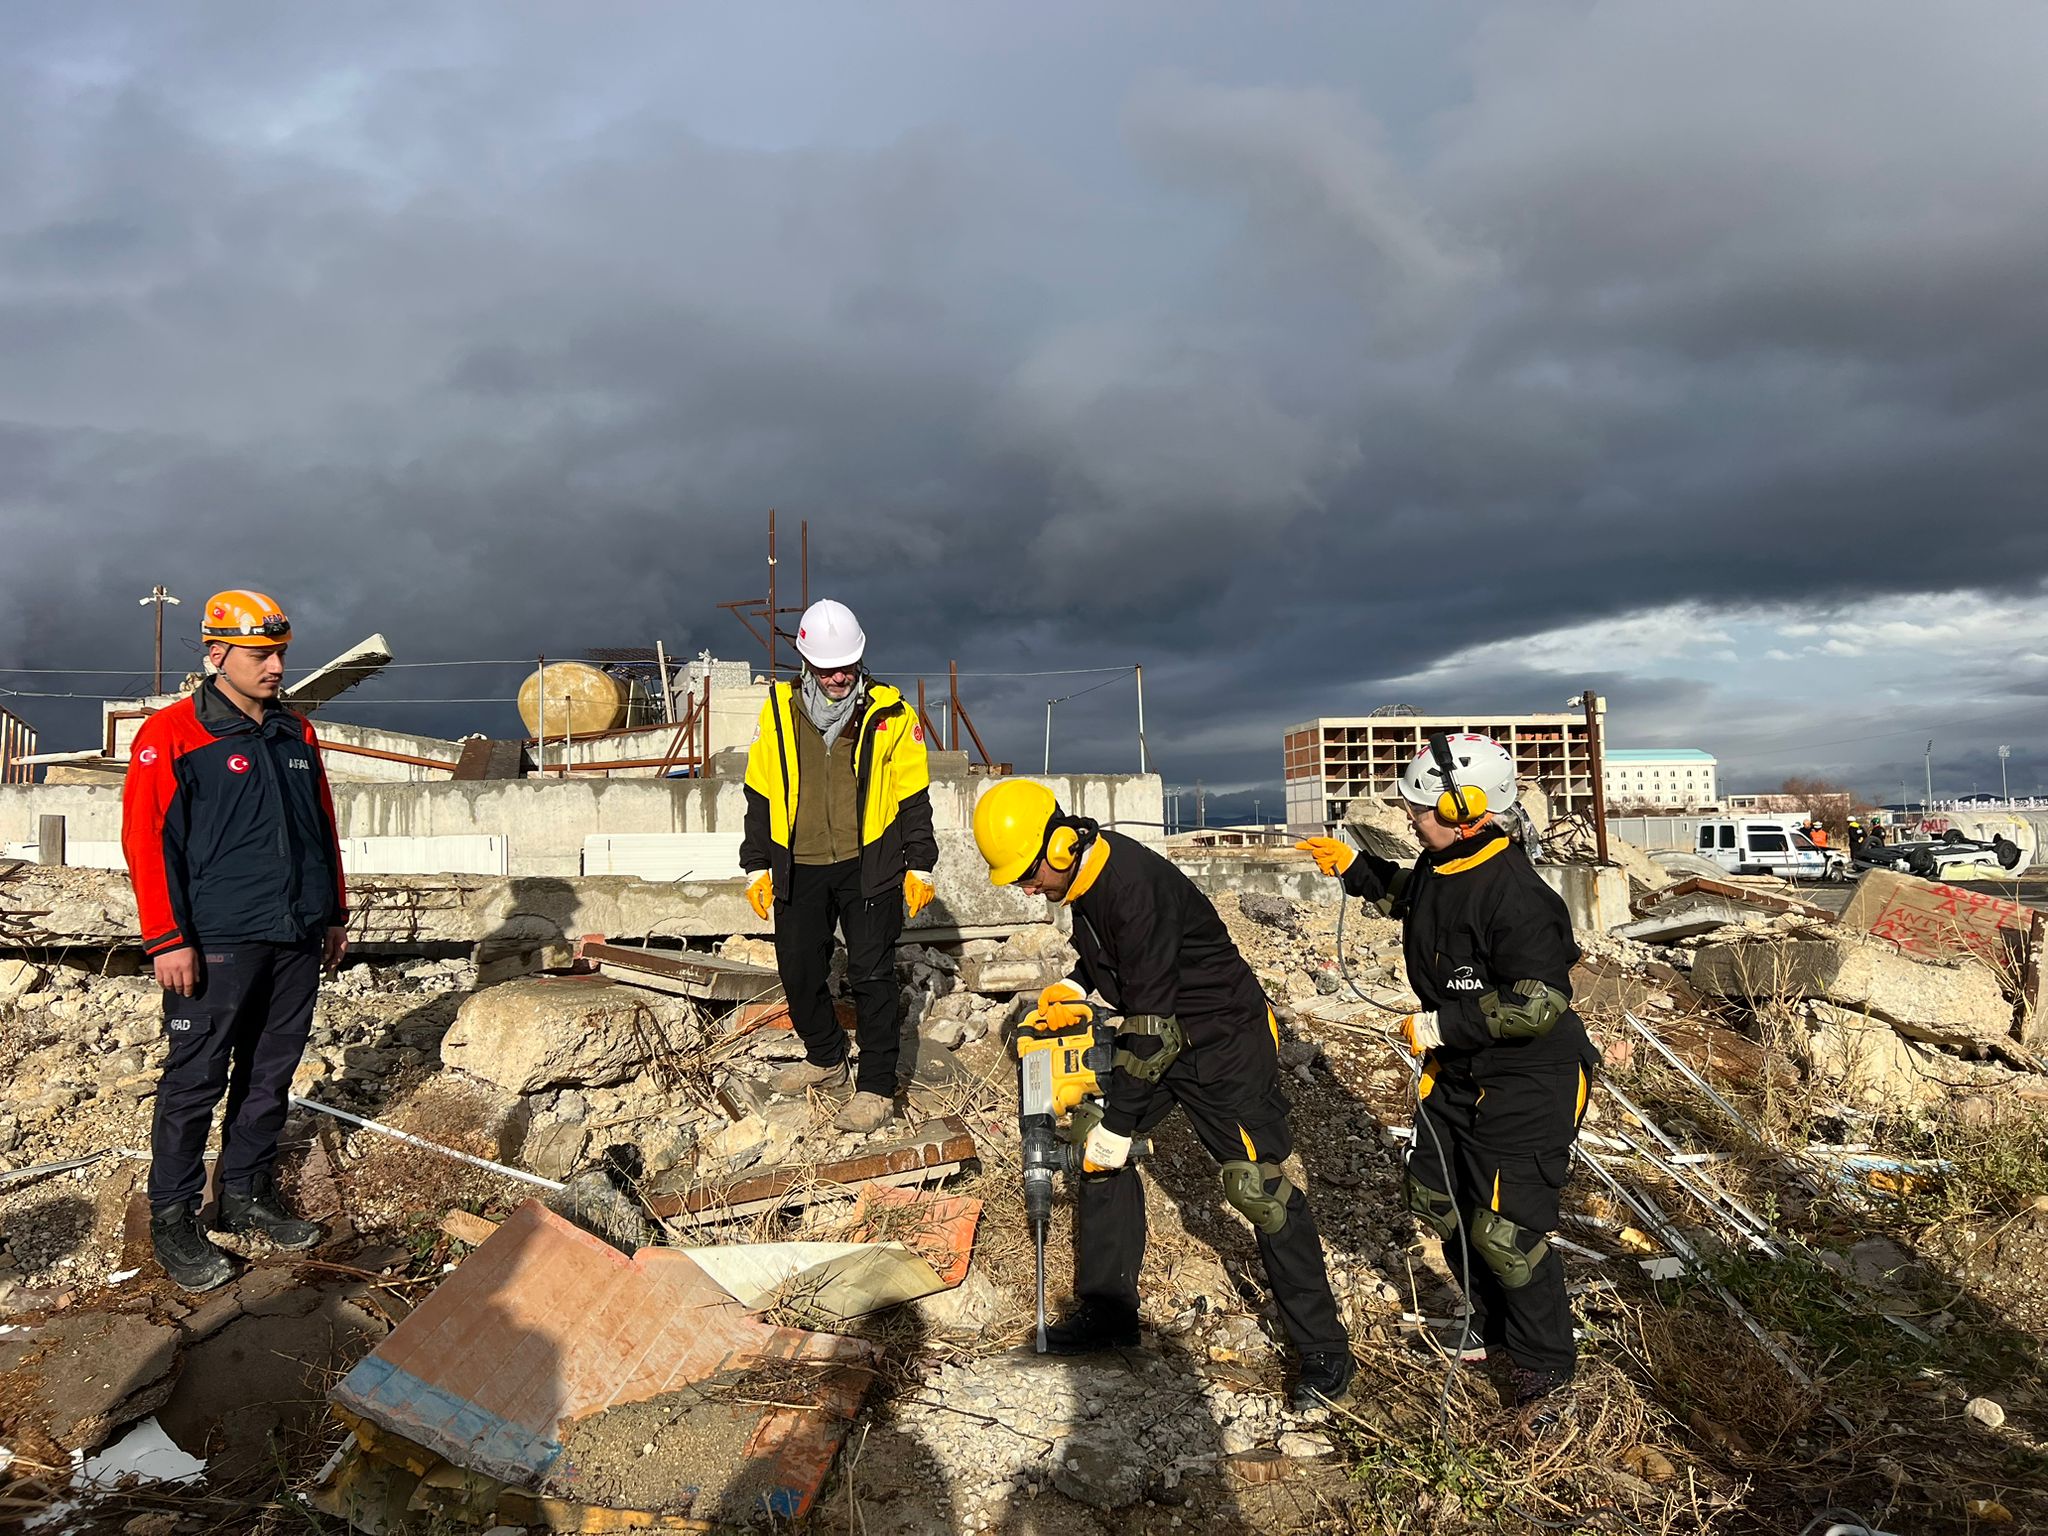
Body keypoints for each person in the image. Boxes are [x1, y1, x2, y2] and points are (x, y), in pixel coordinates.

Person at [973, 778, 1353, 1411]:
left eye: (1026, 874)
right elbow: (1121, 973)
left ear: (1061, 846)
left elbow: (1151, 1025)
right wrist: (1073, 986)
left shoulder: (1133, 889)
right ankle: (1109, 1311)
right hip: (1165, 1035)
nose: (1023, 887)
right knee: (1091, 1141)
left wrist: (1124, 1125)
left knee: (1257, 1188)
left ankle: (1324, 1351)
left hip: (1223, 1041)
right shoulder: (1087, 878)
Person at [1299, 735, 1598, 1421]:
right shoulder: (1444, 863)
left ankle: (1546, 1369)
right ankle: (1492, 1327)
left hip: (1528, 1078)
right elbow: (1413, 895)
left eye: (1418, 808)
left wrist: (1441, 1027)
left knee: (1507, 1232)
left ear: (1467, 809)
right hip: (1462, 1072)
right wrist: (1354, 868)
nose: (1408, 817)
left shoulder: (1516, 894)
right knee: (1438, 1197)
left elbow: (1539, 1000)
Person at [120, 590, 348, 1292]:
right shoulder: (173, 735)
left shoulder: (294, 735)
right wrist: (166, 939)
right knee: (194, 1080)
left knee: (269, 1074)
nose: (276, 666)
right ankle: (174, 1219)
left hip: (295, 936)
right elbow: (146, 840)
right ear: (216, 653)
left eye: (281, 653)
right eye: (261, 654)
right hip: (213, 942)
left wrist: (333, 912)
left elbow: (321, 829)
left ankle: (246, 1194)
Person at [740, 599, 937, 1134]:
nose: (838, 676)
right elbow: (759, 791)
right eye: (827, 667)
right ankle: (826, 1059)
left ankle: (875, 1087)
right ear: (806, 662)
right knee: (799, 969)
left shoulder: (891, 716)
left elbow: (913, 796)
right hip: (798, 864)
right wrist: (757, 864)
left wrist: (919, 864)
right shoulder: (778, 712)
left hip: (867, 863)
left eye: (846, 664)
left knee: (871, 974)